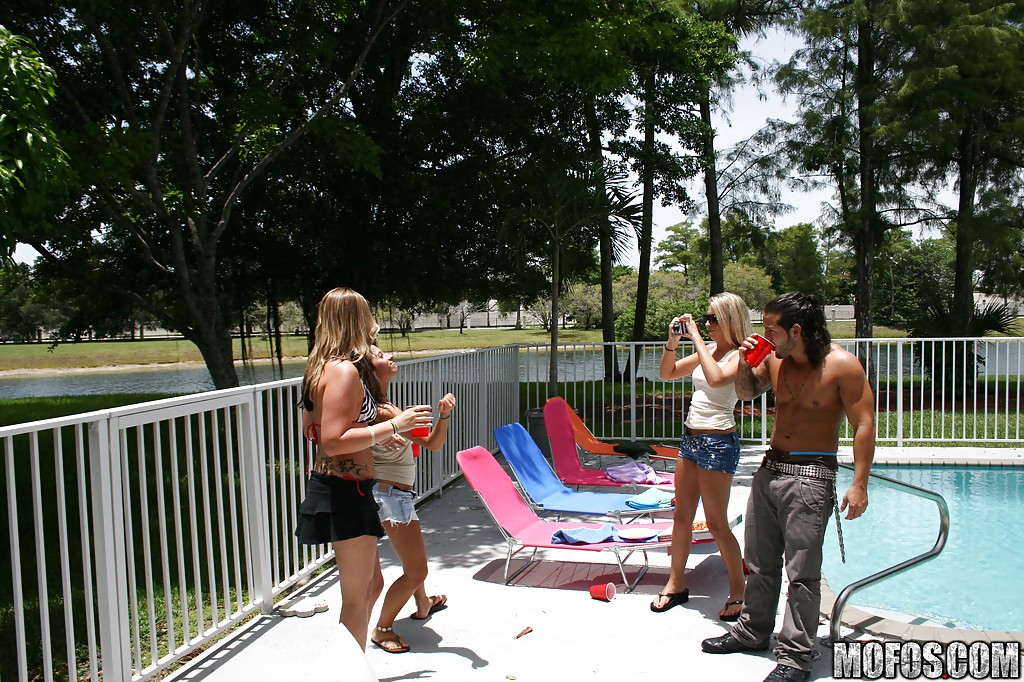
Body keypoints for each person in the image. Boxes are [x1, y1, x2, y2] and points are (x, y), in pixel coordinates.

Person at [700, 292, 875, 682]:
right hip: (770, 469)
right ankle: (752, 631)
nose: (766, 335)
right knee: (759, 561)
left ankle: (796, 657)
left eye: (771, 329)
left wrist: (859, 483)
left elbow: (864, 423)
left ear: (796, 330)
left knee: (802, 573)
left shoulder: (842, 366)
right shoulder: (775, 359)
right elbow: (745, 392)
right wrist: (746, 363)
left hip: (811, 476)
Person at [293, 287, 433, 651]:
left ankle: (356, 665)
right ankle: (351, 669)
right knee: (356, 600)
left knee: (371, 587)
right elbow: (333, 440)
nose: (373, 324)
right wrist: (393, 426)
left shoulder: (317, 368)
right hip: (346, 493)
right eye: (368, 315)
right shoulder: (342, 371)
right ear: (357, 320)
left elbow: (313, 430)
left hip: (341, 487)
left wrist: (369, 436)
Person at [651, 292, 752, 621]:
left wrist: (695, 337)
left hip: (718, 443)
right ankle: (676, 584)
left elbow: (717, 378)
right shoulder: (707, 349)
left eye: (712, 319)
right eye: (705, 320)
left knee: (716, 523)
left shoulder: (740, 355)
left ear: (729, 321)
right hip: (691, 440)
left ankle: (738, 591)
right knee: (681, 516)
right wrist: (673, 341)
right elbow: (667, 373)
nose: (707, 325)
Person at [362, 345, 457, 653]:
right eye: (380, 355)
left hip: (395, 494)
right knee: (416, 569)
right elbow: (434, 443)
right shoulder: (383, 410)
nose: (389, 355)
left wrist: (442, 415)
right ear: (369, 370)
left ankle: (423, 602)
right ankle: (383, 628)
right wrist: (442, 415)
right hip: (391, 497)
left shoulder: (382, 406)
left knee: (412, 560)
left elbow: (432, 441)